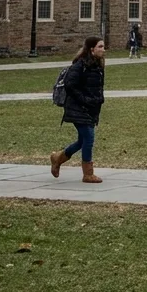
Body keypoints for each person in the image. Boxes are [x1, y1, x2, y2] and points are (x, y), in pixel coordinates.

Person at [49, 36, 107, 183]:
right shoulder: (80, 65)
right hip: (78, 108)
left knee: (82, 141)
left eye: (103, 46)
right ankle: (88, 174)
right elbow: (70, 85)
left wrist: (97, 100)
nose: (103, 50)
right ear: (91, 49)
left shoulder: (97, 65)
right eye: (100, 47)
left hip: (91, 108)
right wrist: (84, 100)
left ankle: (57, 158)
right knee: (89, 138)